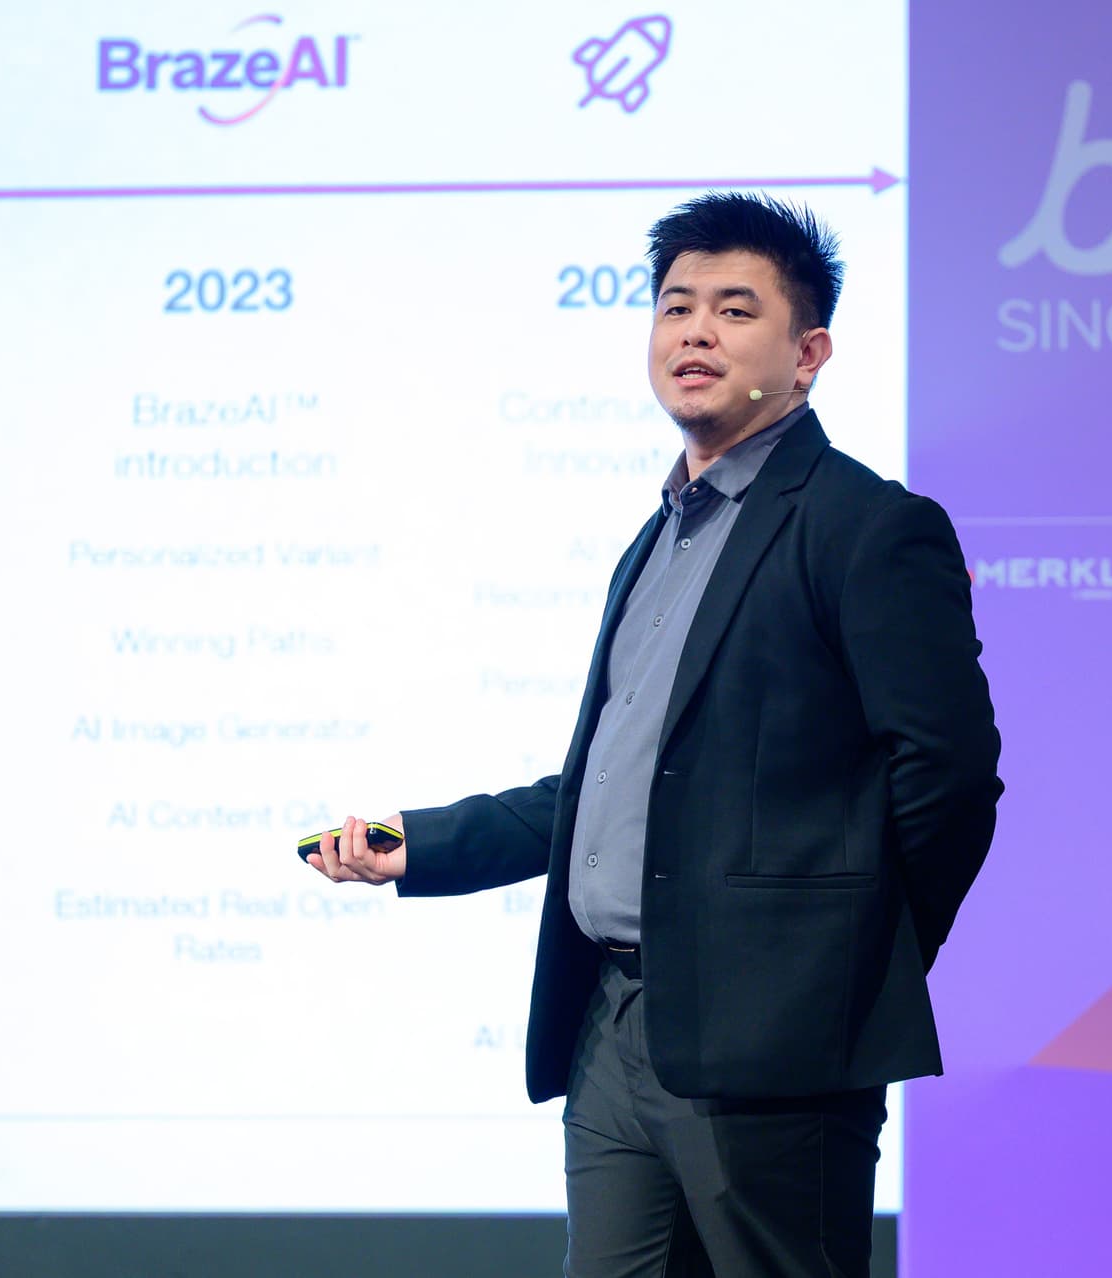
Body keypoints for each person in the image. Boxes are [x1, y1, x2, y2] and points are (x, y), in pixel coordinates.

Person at [305, 192, 1001, 1277]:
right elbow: (608, 788)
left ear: (809, 352)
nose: (694, 333)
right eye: (676, 307)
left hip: (776, 1047)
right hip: (612, 1027)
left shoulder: (868, 525)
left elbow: (950, 777)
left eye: (734, 309)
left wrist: (843, 970)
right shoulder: (658, 537)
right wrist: (426, 843)